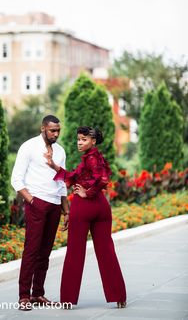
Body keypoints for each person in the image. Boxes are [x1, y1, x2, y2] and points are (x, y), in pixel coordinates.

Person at [44, 126, 127, 308]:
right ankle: (119, 296)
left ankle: (67, 299)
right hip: (102, 208)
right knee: (106, 251)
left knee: (75, 252)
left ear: (93, 141)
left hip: (84, 208)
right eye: (78, 139)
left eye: (84, 139)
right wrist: (53, 165)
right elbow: (74, 176)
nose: (80, 143)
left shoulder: (91, 159)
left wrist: (86, 194)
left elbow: (103, 179)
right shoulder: (94, 158)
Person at [11, 115, 69, 311]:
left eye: (58, 130)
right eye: (52, 130)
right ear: (43, 128)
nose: (56, 134)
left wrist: (65, 210)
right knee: (32, 250)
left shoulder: (60, 151)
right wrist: (32, 201)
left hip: (54, 206)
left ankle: (38, 294)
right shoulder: (28, 147)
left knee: (45, 252)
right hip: (37, 203)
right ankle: (24, 296)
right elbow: (16, 180)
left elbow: (61, 182)